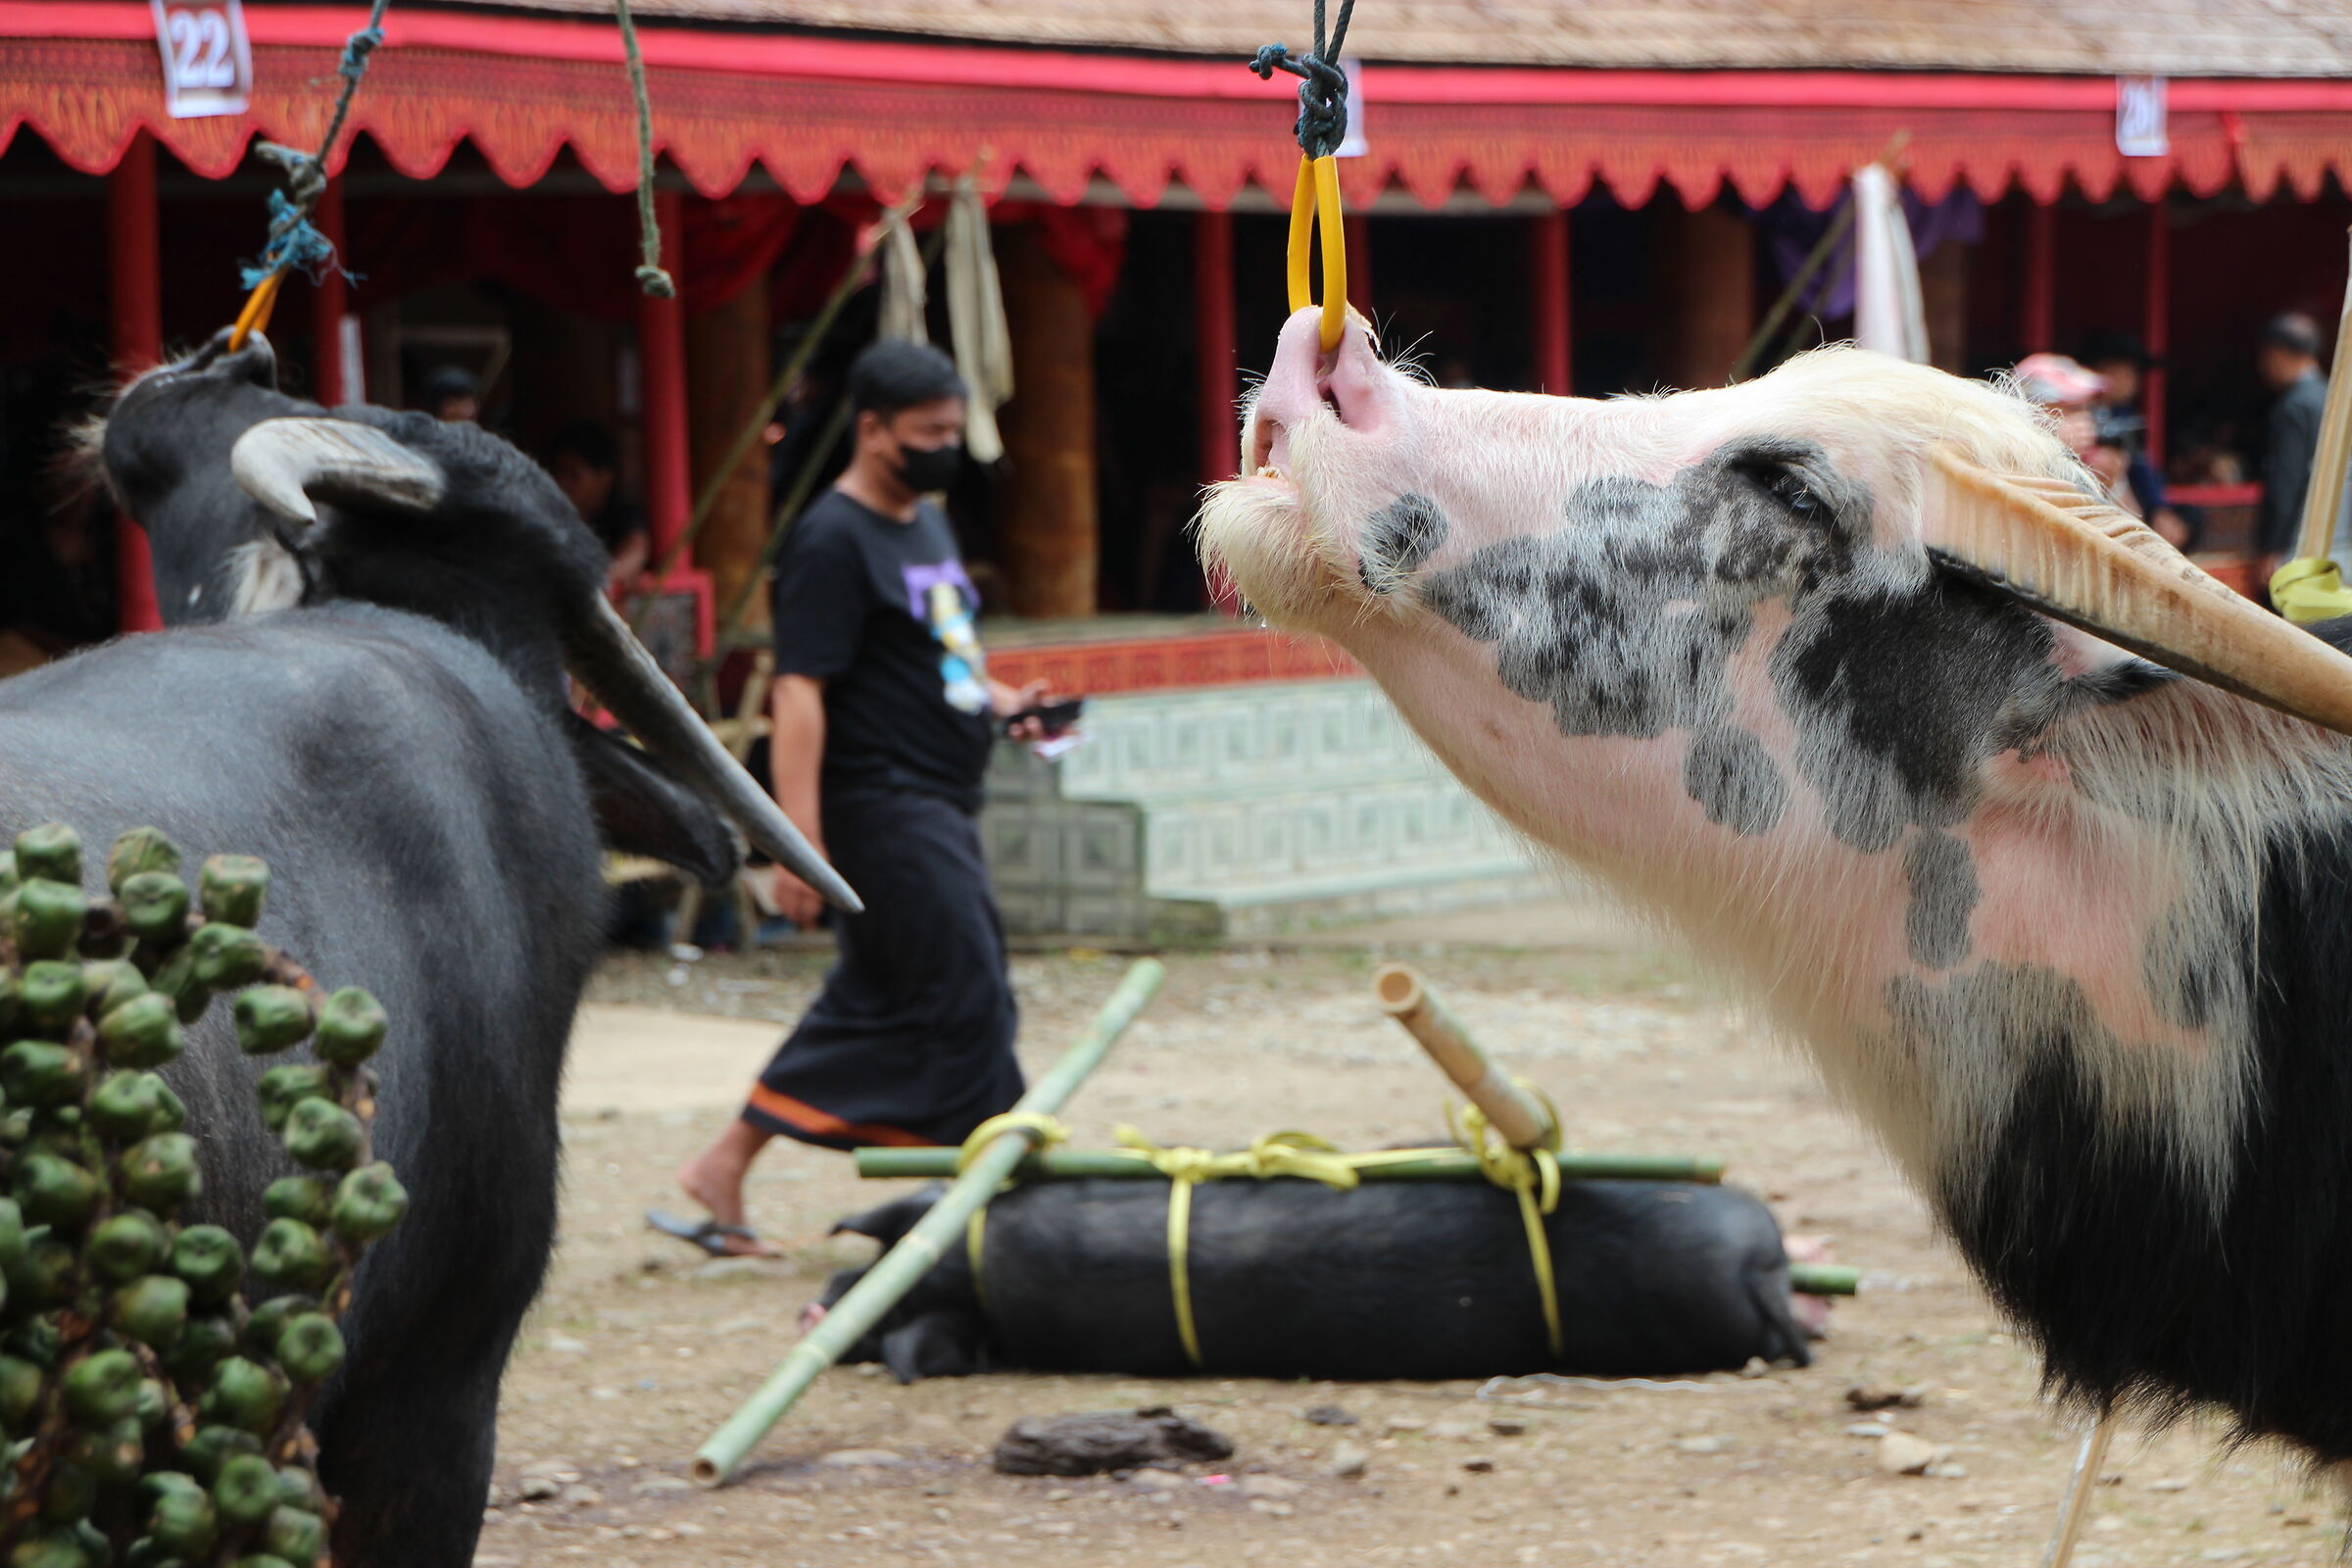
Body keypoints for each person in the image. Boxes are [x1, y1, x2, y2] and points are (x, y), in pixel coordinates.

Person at [662, 340, 1052, 1256]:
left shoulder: (926, 519)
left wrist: (1009, 707)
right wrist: (800, 843)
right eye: (930, 433)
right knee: (970, 992)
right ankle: (989, 1195)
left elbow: (946, 659)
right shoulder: (831, 540)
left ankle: (722, 1165)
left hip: (943, 792)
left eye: (955, 431)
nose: (947, 447)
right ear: (871, 430)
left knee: (877, 989)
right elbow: (800, 692)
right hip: (882, 803)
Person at [2080, 330, 2190, 547]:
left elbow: (2141, 466)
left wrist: (2159, 509)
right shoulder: (2076, 414)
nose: (2135, 381)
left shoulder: (2124, 415)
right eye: (2128, 372)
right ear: (2103, 370)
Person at [2254, 313, 2329, 580]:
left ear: (2277, 353)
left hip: (2297, 542)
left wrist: (2274, 547)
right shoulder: (2328, 395)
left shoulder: (2294, 405)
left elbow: (2287, 479)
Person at [543, 421, 651, 590]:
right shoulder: (547, 518)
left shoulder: (625, 515)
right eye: (557, 473)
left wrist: (604, 576)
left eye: (573, 475)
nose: (561, 483)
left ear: (604, 478)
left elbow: (636, 549)